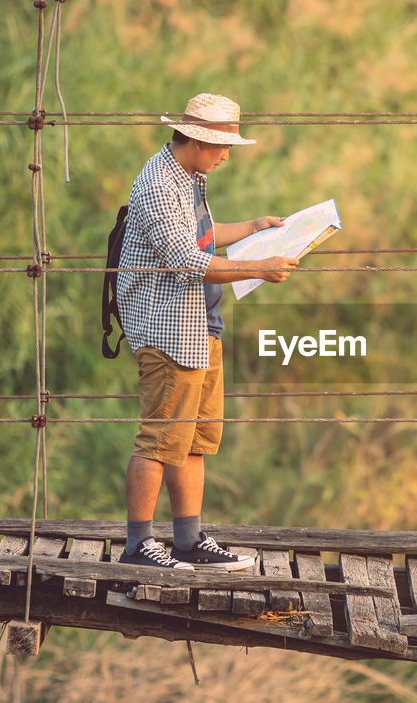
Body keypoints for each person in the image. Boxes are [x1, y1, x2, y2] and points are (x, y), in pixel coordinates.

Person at [116, 93, 297, 570]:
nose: (225, 155)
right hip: (168, 326)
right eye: (220, 146)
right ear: (194, 139)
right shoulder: (158, 183)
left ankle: (187, 540)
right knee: (158, 439)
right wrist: (258, 265)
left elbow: (200, 235)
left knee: (194, 439)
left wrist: (255, 227)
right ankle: (138, 547)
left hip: (201, 323)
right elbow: (184, 260)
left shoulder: (189, 176)